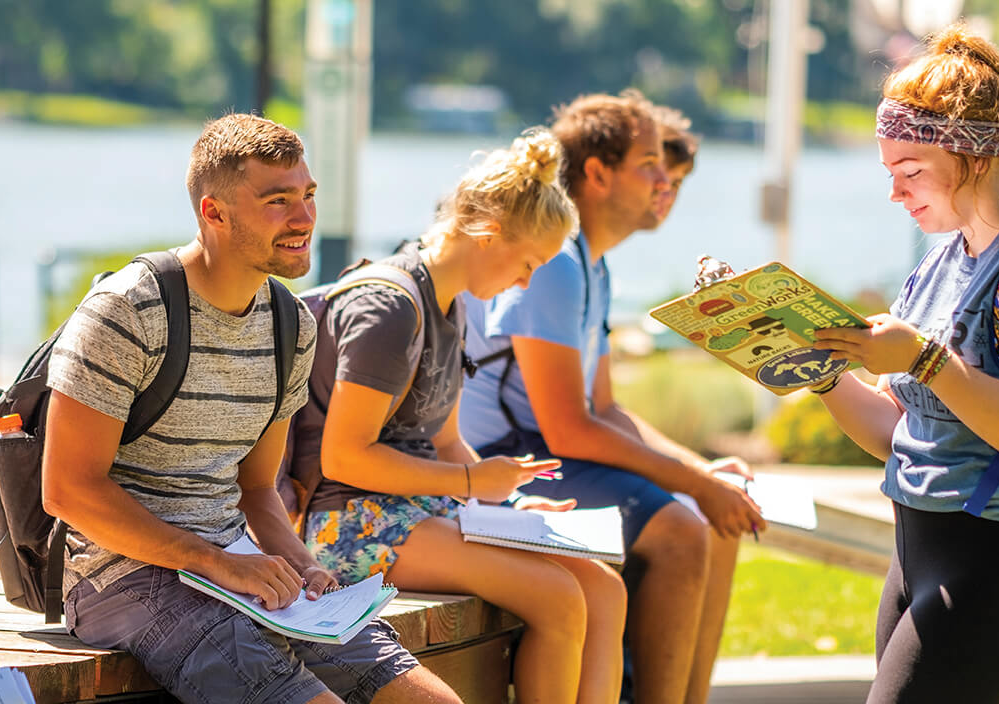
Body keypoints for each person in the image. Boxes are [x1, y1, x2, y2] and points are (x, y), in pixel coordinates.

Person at [40, 113, 460, 704]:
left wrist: (300, 563)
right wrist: (215, 562)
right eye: (278, 201)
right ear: (213, 212)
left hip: (235, 567)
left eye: (308, 195)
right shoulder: (128, 310)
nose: (305, 218)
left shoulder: (291, 325)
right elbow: (67, 490)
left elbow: (258, 490)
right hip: (121, 580)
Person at [810, 26, 999, 703]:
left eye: (911, 172)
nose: (896, 194)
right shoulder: (941, 264)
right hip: (919, 555)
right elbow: (903, 433)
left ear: (975, 158)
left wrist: (922, 359)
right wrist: (818, 369)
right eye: (889, 174)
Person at [299, 129, 626, 704]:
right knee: (558, 597)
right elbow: (344, 455)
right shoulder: (391, 309)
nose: (524, 282)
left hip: (414, 512)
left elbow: (447, 442)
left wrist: (514, 504)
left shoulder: (450, 304)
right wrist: (473, 484)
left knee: (602, 588)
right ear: (489, 233)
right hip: (346, 524)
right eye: (527, 264)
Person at [458, 92, 763, 704]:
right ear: (597, 175)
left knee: (713, 519)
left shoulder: (590, 265)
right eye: (650, 163)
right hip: (496, 462)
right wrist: (695, 486)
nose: (664, 179)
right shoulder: (558, 264)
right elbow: (570, 428)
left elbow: (607, 411)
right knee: (681, 530)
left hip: (544, 450)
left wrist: (703, 474)